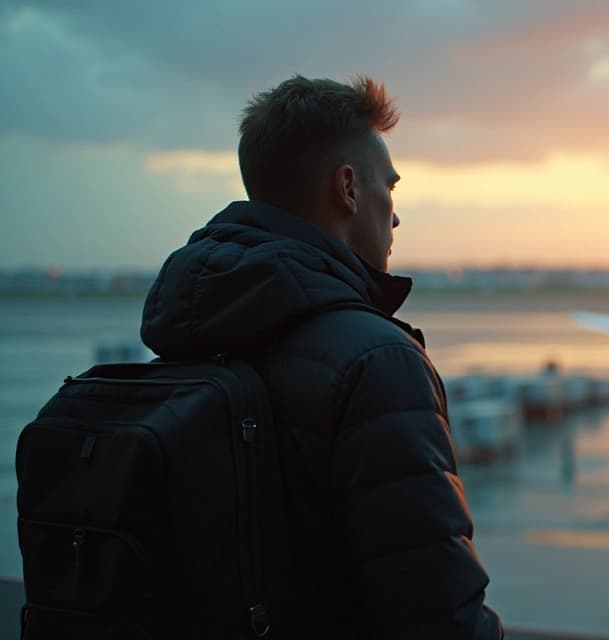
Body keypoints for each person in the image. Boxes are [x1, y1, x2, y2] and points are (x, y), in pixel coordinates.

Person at [140, 75, 503, 638]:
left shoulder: (187, 332)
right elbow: (439, 615)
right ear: (349, 189)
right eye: (391, 187)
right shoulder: (377, 361)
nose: (396, 215)